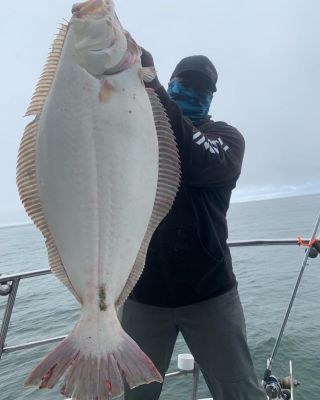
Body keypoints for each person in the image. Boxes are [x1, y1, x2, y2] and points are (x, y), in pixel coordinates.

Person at [121, 49, 266, 400]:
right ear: (172, 82)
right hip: (143, 298)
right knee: (135, 394)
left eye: (202, 90)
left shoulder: (226, 138)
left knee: (239, 390)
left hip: (210, 296)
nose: (192, 94)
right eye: (185, 85)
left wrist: (153, 88)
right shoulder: (138, 135)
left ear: (212, 98)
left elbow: (196, 157)